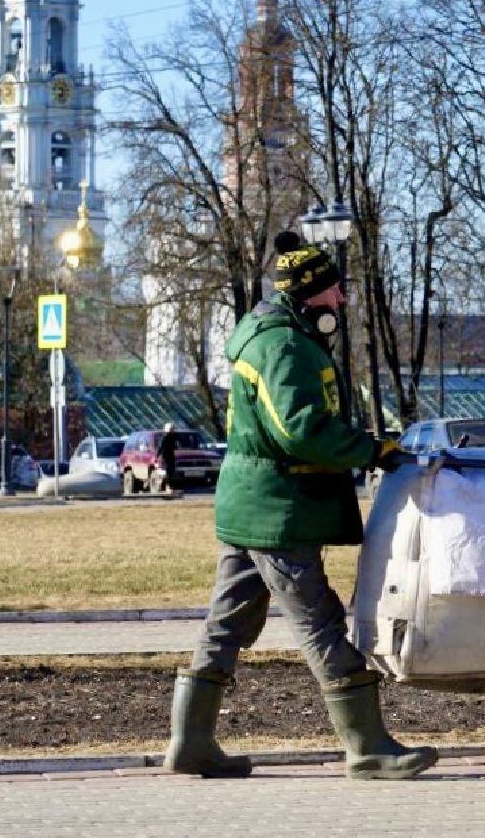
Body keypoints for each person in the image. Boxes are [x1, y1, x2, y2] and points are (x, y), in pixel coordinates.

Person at [164, 231, 436, 781]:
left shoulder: (272, 335)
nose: (342, 300)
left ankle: (191, 743)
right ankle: (367, 747)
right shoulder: (284, 346)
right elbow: (301, 430)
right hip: (276, 511)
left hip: (254, 505)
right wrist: (369, 449)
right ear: (313, 295)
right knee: (320, 622)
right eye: (337, 291)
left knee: (227, 623)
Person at [155, 422, 179, 491]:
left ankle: (165, 484)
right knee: (167, 471)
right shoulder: (165, 437)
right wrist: (158, 455)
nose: (173, 430)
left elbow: (173, 446)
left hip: (170, 455)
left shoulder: (173, 437)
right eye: (172, 429)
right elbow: (161, 447)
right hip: (166, 456)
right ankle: (166, 485)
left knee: (170, 470)